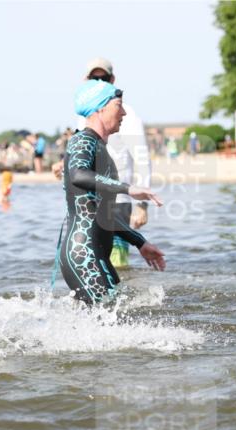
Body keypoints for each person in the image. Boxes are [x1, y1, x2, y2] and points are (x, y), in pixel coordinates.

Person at [58, 79, 165, 304]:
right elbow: (78, 174)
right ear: (100, 108)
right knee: (113, 323)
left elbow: (105, 215)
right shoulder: (82, 140)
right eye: (119, 105)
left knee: (111, 324)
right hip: (84, 254)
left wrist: (140, 242)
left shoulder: (100, 148)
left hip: (95, 255)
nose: (124, 112)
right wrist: (128, 188)